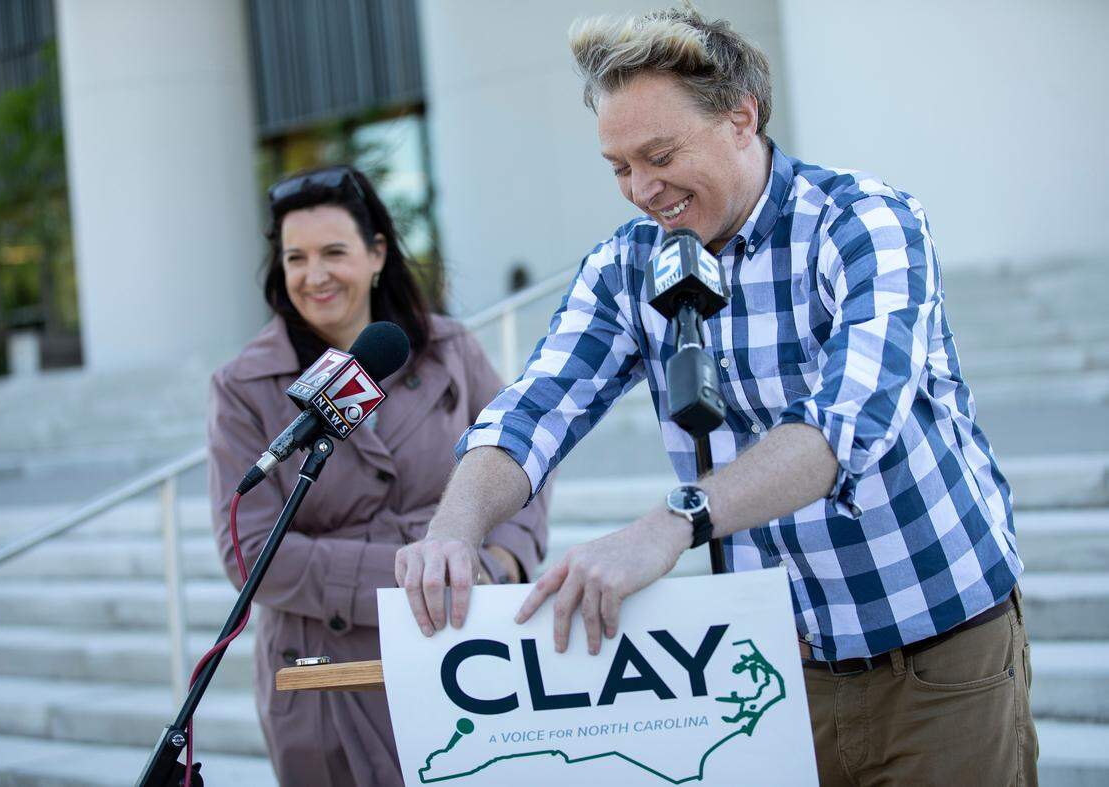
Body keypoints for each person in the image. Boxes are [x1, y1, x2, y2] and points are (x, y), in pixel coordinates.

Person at [395, 6, 1037, 785]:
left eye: (659, 154)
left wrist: (671, 524)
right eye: (619, 166)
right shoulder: (624, 267)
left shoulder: (866, 223)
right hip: (767, 676)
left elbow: (845, 427)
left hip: (939, 663)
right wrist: (454, 530)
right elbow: (533, 409)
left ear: (742, 116)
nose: (640, 189)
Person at [207, 164, 549, 786]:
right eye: (296, 257)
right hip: (323, 675)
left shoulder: (448, 347)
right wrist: (420, 570)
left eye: (334, 252)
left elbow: (523, 461)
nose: (314, 276)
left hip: (461, 646)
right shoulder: (243, 386)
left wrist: (502, 564)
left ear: (376, 255)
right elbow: (250, 551)